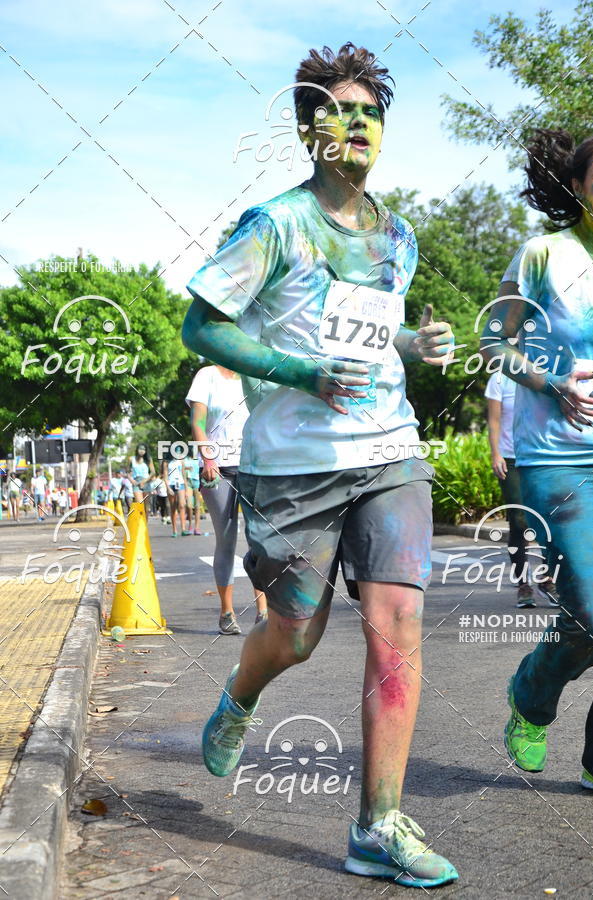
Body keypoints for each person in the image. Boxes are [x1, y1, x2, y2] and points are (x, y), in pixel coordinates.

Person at [182, 44, 458, 886]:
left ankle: (379, 824)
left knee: (397, 625)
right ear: (310, 132)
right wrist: (295, 370)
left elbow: (373, 333)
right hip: (296, 467)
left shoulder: (399, 237)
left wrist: (418, 343)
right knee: (296, 634)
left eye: (370, 113)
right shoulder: (275, 224)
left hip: (388, 451)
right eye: (339, 112)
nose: (358, 125)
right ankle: (241, 693)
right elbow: (202, 327)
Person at [480, 128, 593, 791]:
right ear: (578, 186)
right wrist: (549, 384)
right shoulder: (544, 255)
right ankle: (532, 695)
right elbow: (492, 340)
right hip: (559, 459)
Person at [186, 364, 268, 634]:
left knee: (258, 538)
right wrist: (208, 456)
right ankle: (227, 613)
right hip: (217, 470)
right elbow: (197, 422)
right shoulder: (206, 376)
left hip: (253, 466)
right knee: (227, 538)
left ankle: (263, 612)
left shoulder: (252, 375)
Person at [485, 371, 559, 608]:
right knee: (519, 520)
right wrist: (496, 454)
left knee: (550, 519)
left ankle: (548, 579)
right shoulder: (498, 379)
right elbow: (494, 419)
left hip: (541, 457)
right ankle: (523, 584)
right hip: (511, 458)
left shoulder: (544, 374)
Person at [160, 451, 191, 537]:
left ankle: (184, 529)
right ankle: (174, 530)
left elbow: (184, 475)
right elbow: (165, 476)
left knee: (182, 505)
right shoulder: (166, 462)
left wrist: (186, 489)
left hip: (180, 484)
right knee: (173, 507)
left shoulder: (181, 461)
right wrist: (168, 488)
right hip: (171, 484)